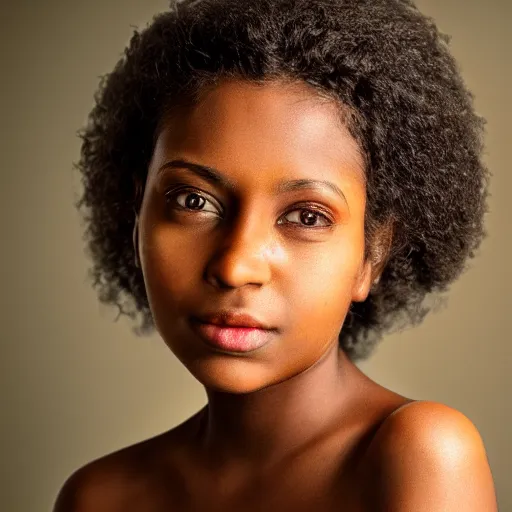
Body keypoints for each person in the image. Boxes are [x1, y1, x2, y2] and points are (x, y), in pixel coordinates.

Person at [54, 0, 497, 510]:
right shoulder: (100, 497)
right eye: (193, 201)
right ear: (137, 216)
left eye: (307, 217)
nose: (235, 265)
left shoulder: (417, 454)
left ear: (371, 255)